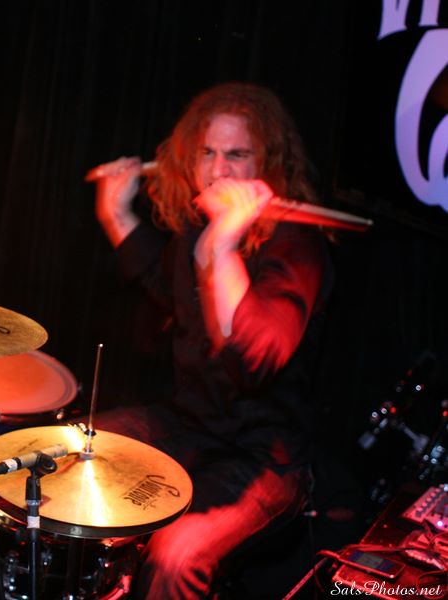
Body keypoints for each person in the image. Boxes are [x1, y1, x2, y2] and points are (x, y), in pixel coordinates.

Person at [89, 82, 333, 598]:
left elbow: (253, 362)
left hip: (264, 460)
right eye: (207, 153)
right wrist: (117, 215)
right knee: (76, 452)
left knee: (175, 556)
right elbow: (165, 288)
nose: (219, 170)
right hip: (189, 427)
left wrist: (221, 246)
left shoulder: (297, 245)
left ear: (268, 164)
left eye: (237, 155)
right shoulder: (194, 234)